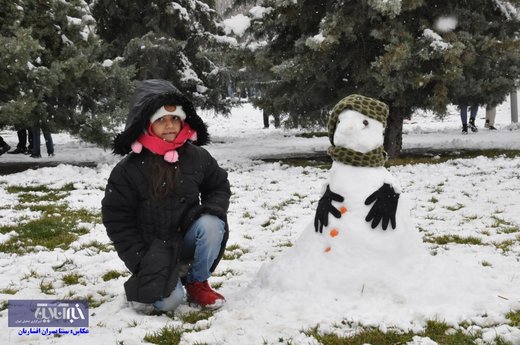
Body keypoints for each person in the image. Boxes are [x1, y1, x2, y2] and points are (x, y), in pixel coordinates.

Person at [101, 79, 230, 312]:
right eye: (161, 119)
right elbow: (117, 219)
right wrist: (141, 261)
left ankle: (196, 281)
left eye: (175, 118)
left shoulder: (198, 157)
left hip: (186, 238)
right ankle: (157, 284)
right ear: (146, 124)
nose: (170, 125)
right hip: (152, 252)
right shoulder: (128, 169)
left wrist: (207, 211)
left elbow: (218, 186)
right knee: (170, 302)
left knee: (212, 224)